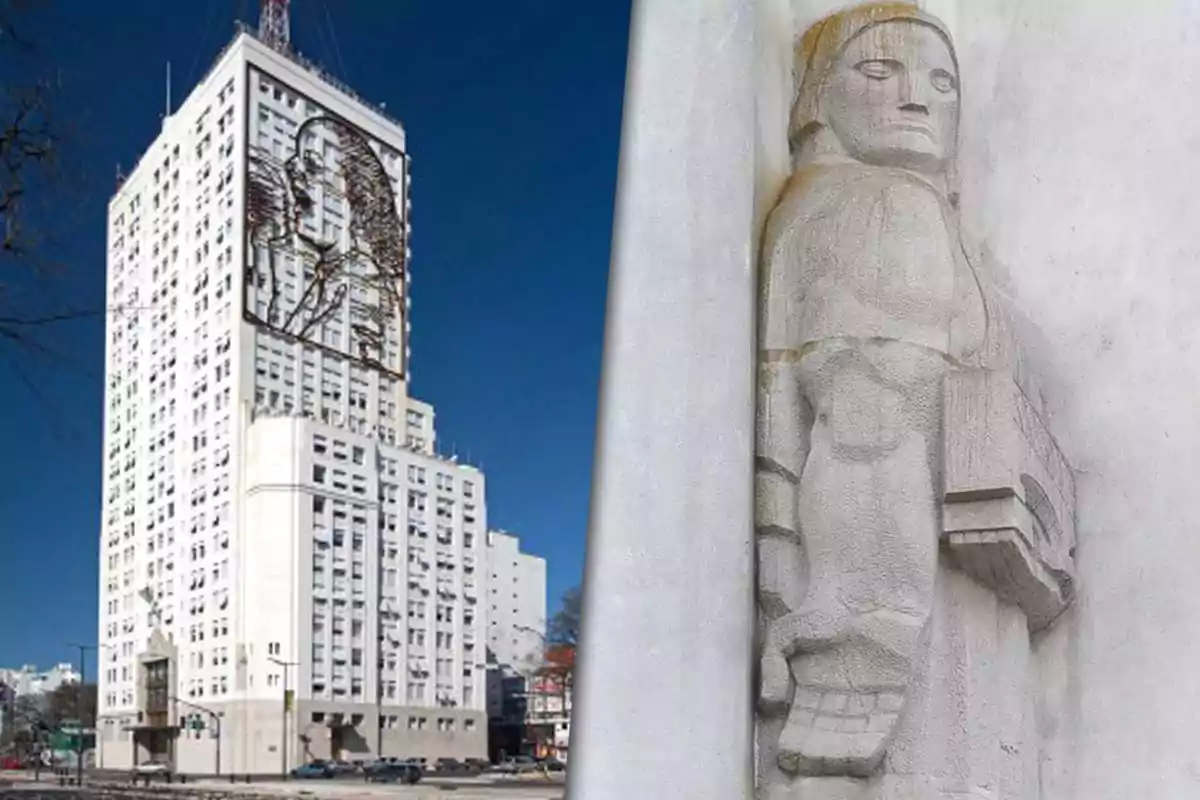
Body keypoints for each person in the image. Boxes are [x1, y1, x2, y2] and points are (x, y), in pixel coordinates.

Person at [755, 2, 1007, 778]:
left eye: (941, 82)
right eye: (879, 69)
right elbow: (864, 401)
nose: (917, 97)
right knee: (873, 401)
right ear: (820, 95)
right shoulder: (864, 202)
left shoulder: (906, 206)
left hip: (894, 562)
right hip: (865, 572)